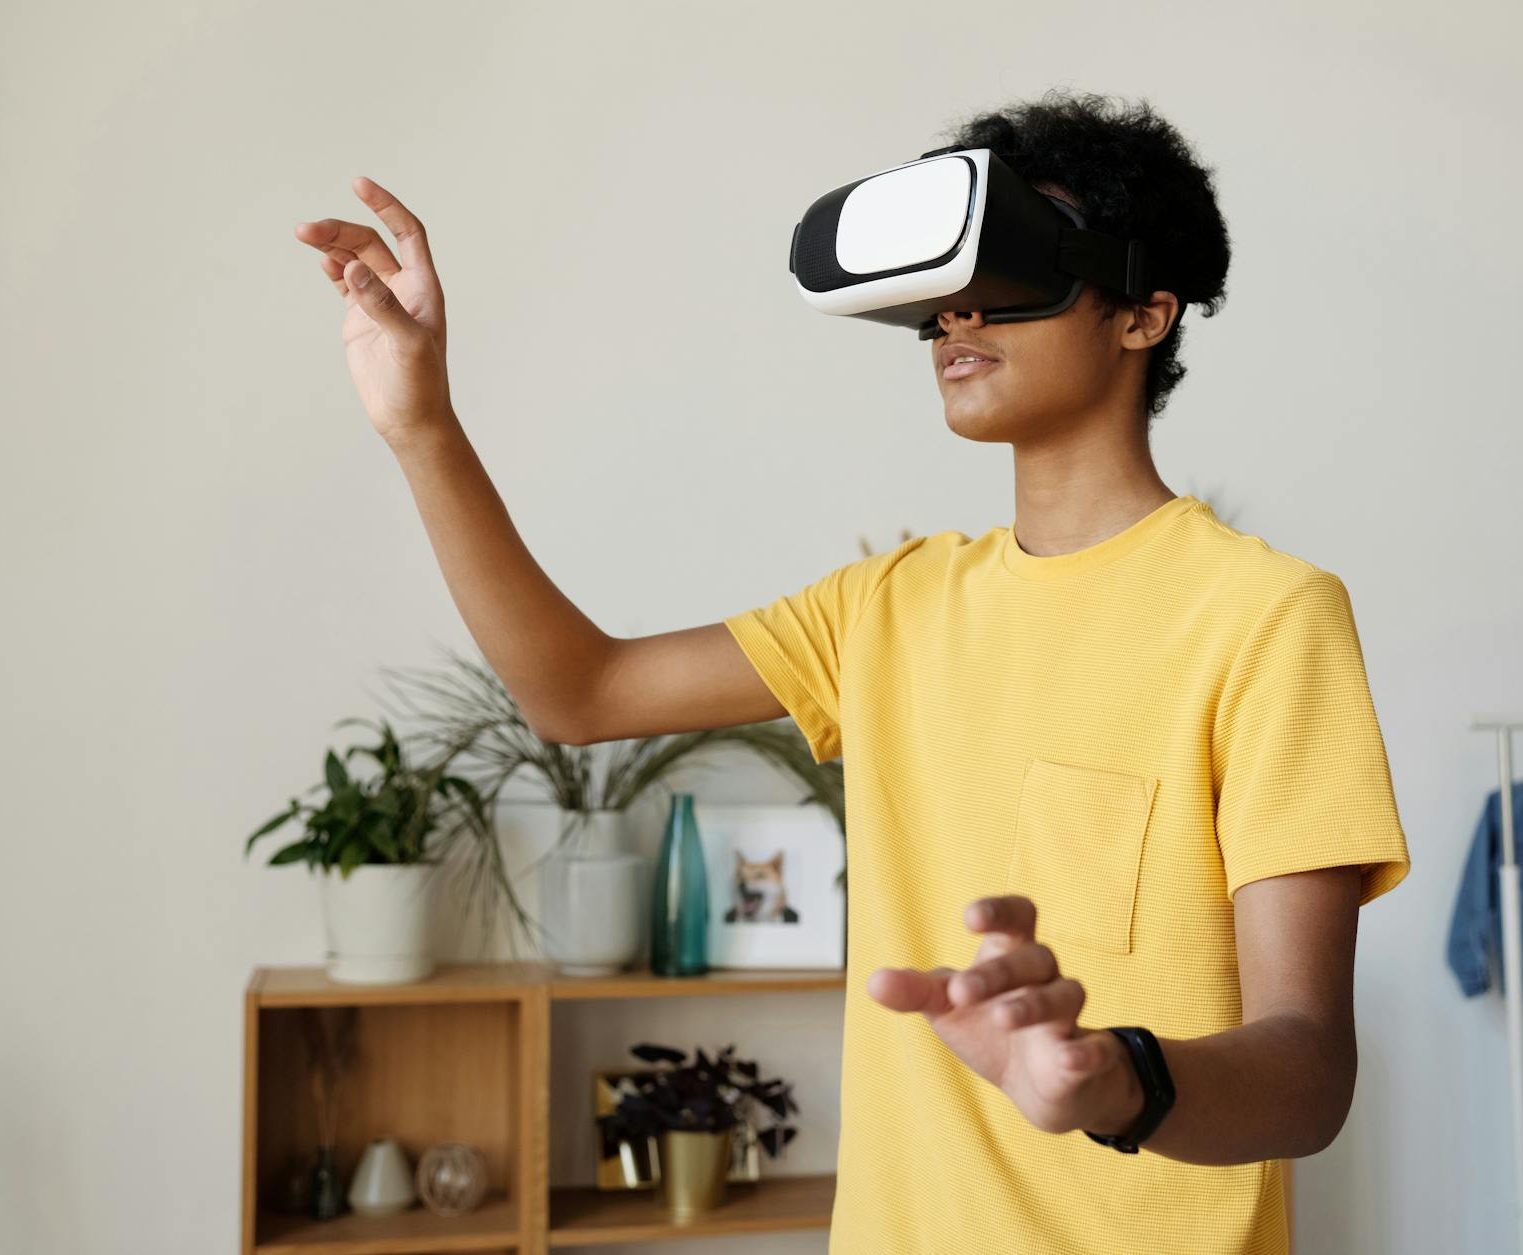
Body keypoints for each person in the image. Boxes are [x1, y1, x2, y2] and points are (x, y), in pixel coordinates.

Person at [293, 86, 1410, 1255]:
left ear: (1142, 315)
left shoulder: (1264, 617)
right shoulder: (884, 609)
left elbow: (1306, 1075)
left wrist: (1114, 1079)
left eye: (1008, 271)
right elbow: (576, 693)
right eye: (940, 292)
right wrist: (422, 426)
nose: (955, 317)